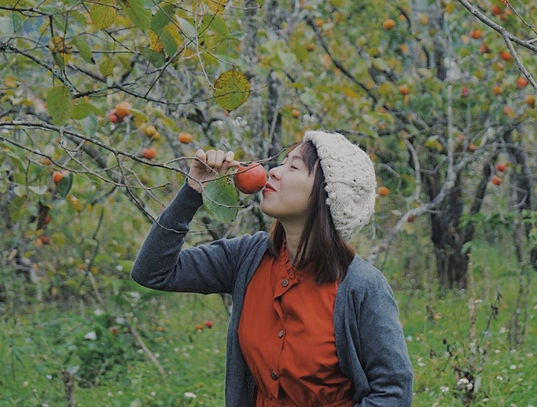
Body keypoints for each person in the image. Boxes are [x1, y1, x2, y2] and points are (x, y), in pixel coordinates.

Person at [131, 131, 413, 407]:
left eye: (294, 167)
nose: (274, 172)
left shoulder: (361, 286)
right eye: (282, 162)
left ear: (327, 192)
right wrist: (193, 191)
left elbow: (392, 392)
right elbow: (152, 271)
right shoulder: (246, 258)